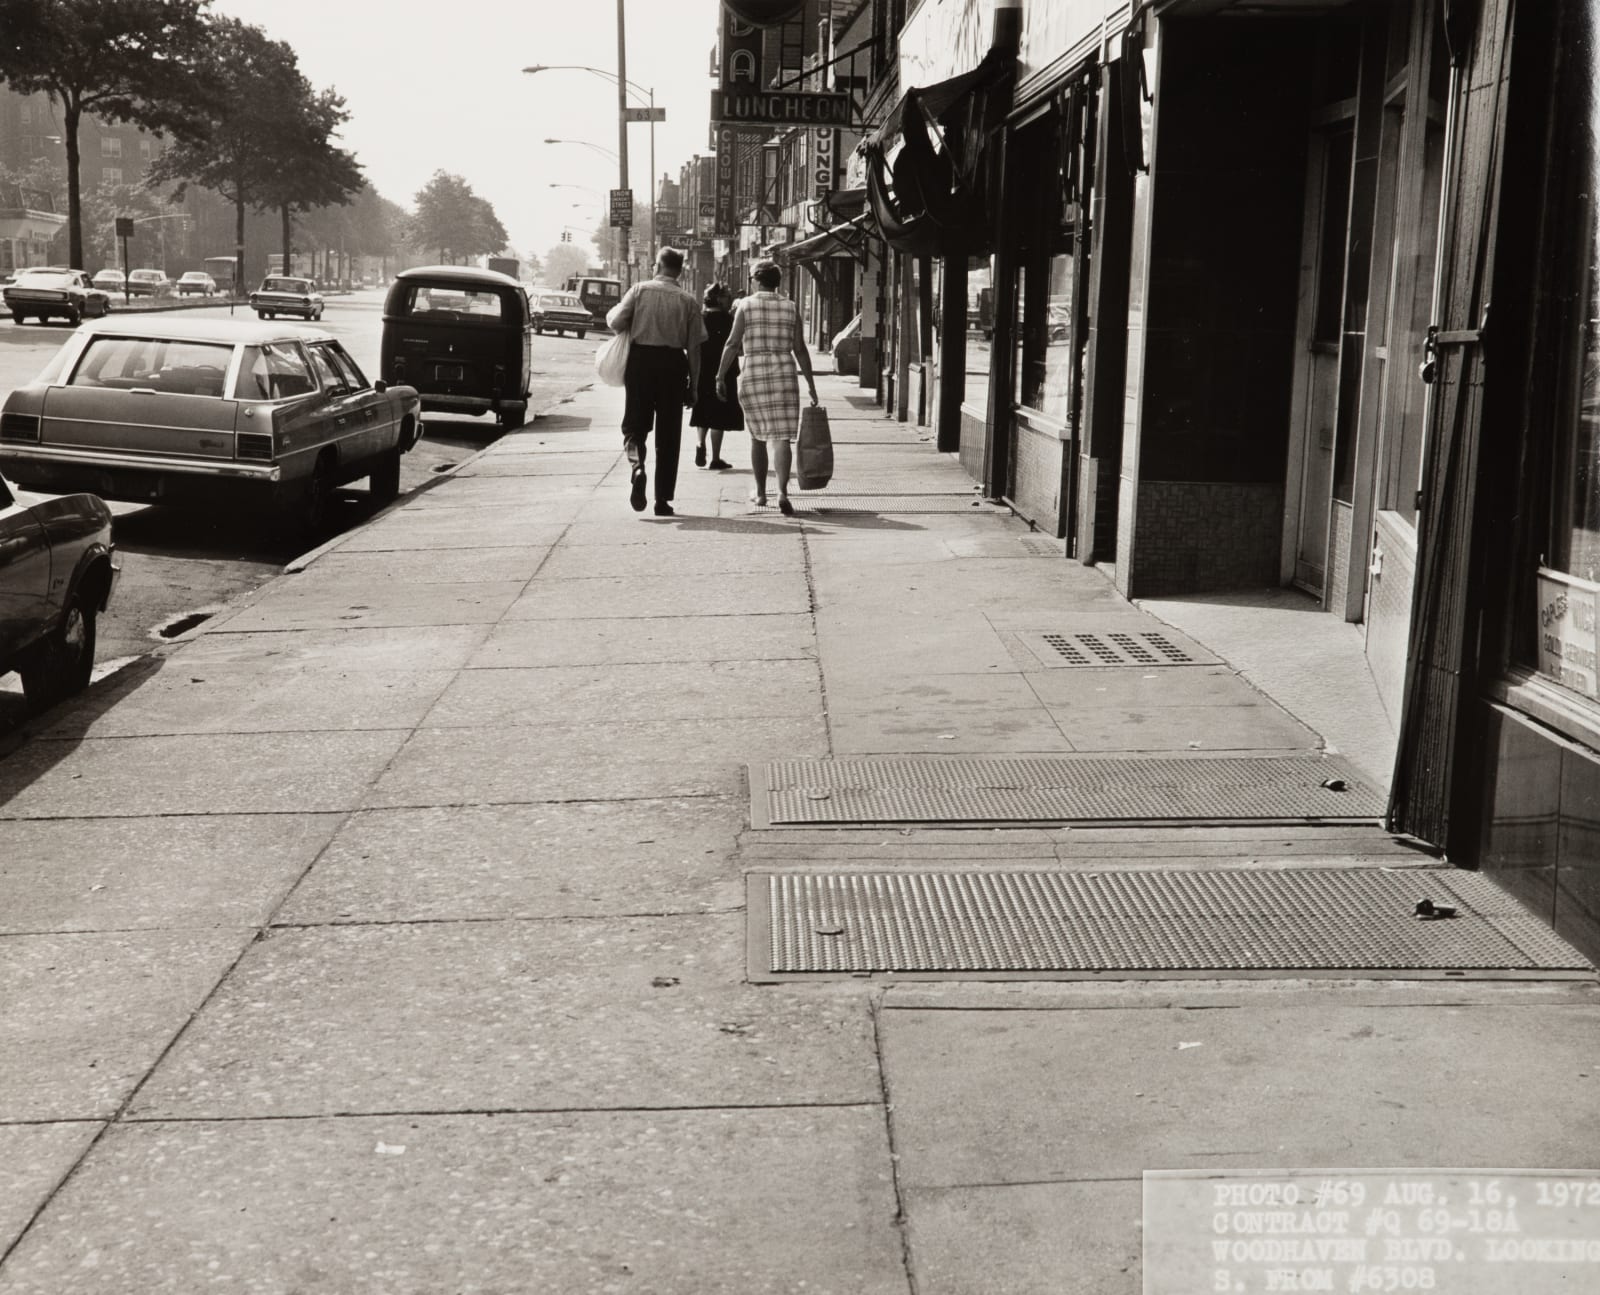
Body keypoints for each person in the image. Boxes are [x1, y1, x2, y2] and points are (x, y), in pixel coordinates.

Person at [605, 247, 708, 517]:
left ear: (657, 267)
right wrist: (693, 387)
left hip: (641, 363)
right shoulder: (688, 301)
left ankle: (637, 467)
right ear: (680, 271)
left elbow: (616, 323)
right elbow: (695, 349)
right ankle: (662, 499)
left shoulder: (640, 291)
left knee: (634, 426)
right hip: (674, 366)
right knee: (669, 434)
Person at [716, 260, 817, 516]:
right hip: (784, 370)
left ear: (757, 279)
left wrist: (720, 375)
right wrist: (811, 384)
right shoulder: (790, 307)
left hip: (755, 372)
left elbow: (731, 343)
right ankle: (782, 491)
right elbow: (800, 349)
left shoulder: (746, 305)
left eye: (751, 277)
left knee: (757, 436)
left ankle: (761, 494)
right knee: (782, 436)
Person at [690, 282, 741, 470]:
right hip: (722, 371)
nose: (729, 298)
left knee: (702, 408)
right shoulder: (728, 320)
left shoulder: (700, 318)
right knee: (718, 414)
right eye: (726, 295)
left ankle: (700, 443)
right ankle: (716, 457)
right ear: (719, 298)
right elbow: (734, 346)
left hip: (702, 370)